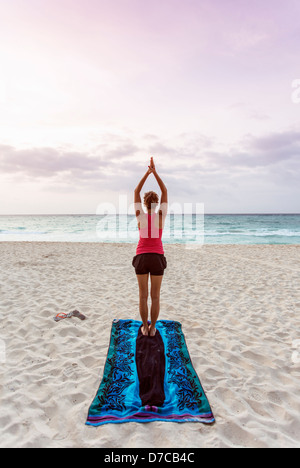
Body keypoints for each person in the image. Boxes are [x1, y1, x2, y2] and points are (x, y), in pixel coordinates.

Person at [132, 157, 168, 337]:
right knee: (155, 297)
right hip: (156, 258)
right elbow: (165, 190)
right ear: (156, 203)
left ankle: (144, 328)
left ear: (145, 203)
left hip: (141, 257)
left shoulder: (139, 214)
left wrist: (147, 173)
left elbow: (136, 190)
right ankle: (152, 328)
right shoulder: (160, 216)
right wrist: (155, 172)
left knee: (143, 296)